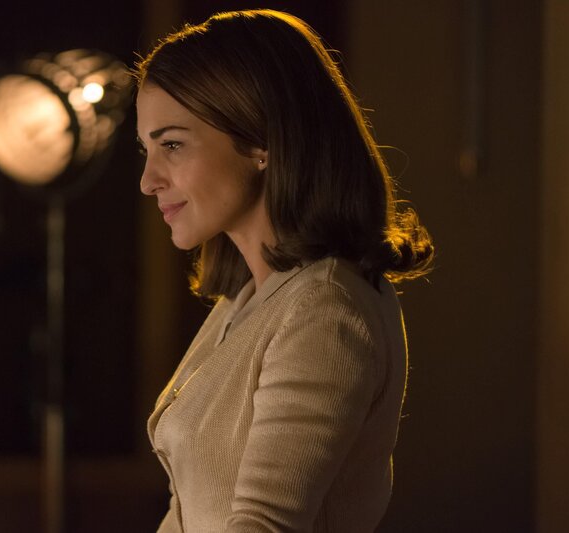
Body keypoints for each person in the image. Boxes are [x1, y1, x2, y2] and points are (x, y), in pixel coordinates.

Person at [134, 9, 433, 533]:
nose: (148, 179)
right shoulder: (248, 298)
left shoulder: (324, 310)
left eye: (172, 145)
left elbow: (264, 525)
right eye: (147, 149)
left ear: (260, 141)